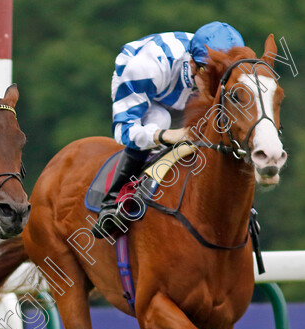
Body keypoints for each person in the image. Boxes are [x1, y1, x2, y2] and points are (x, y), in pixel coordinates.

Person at [92, 22, 245, 239]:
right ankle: (112, 201)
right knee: (159, 118)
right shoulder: (144, 67)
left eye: (224, 77)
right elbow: (124, 131)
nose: (217, 85)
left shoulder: (211, 65)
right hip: (149, 86)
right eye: (211, 75)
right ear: (193, 64)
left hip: (184, 87)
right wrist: (165, 135)